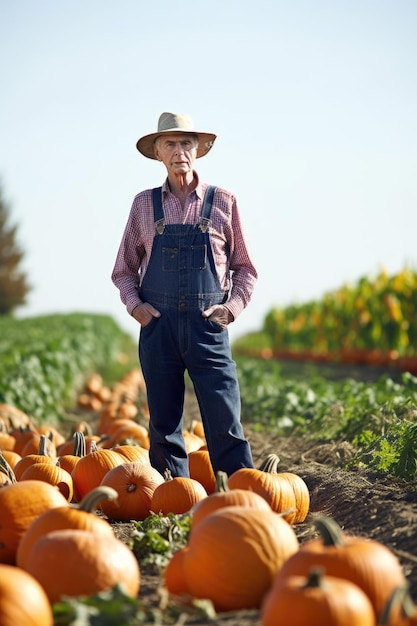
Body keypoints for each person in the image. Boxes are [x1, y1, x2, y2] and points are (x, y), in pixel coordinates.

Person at [111, 111, 258, 478]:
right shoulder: (144, 204)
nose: (180, 151)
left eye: (186, 143)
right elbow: (124, 271)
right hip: (158, 329)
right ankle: (171, 503)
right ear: (158, 152)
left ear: (198, 150)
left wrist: (230, 309)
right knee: (163, 426)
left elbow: (246, 269)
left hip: (207, 328)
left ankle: (240, 496)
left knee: (225, 422)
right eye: (171, 144)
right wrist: (138, 308)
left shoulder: (223, 201)